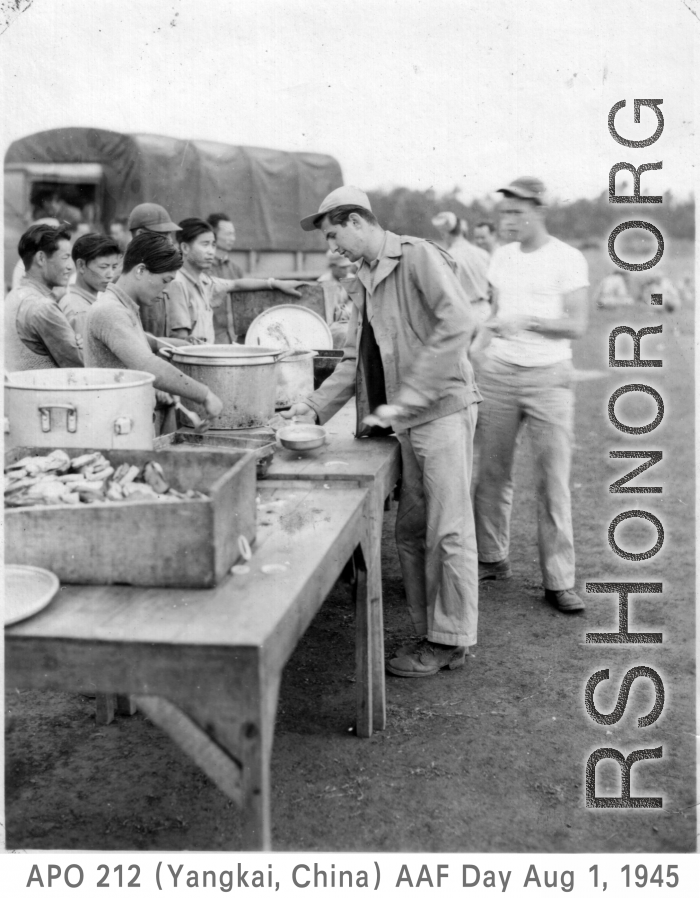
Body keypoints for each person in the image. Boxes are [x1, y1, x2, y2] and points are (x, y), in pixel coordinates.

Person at [283, 186, 480, 678]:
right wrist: (309, 409)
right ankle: (431, 633)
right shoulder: (364, 279)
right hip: (408, 422)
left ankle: (450, 640)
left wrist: (412, 393)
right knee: (411, 532)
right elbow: (353, 361)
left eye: (334, 236)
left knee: (448, 531)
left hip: (441, 411)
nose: (333, 249)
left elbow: (459, 323)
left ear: (355, 220)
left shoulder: (416, 257)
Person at [473, 177, 589, 613]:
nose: (508, 221)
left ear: (538, 210)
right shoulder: (501, 257)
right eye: (504, 213)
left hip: (549, 377)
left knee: (552, 480)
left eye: (516, 212)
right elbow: (494, 311)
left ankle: (559, 581)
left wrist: (527, 321)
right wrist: (478, 349)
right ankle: (491, 558)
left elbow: (577, 324)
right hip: (500, 373)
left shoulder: (568, 258)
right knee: (491, 473)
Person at [85, 232, 223, 424]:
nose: (166, 291)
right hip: (115, 426)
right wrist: (204, 394)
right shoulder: (111, 311)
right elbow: (146, 364)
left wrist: (185, 344)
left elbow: (142, 340)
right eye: (165, 281)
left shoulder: (123, 306)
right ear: (140, 270)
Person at [165, 218, 304, 344]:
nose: (211, 251)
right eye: (205, 244)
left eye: (213, 245)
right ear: (184, 248)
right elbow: (181, 338)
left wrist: (276, 283)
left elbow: (235, 284)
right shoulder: (178, 283)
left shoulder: (204, 281)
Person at [4, 224, 83, 371]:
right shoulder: (43, 307)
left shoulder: (13, 296)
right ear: (41, 258)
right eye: (65, 257)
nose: (71, 267)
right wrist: (84, 344)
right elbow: (82, 365)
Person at [126, 203, 183, 337]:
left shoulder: (160, 268)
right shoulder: (125, 273)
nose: (169, 241)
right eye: (162, 235)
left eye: (169, 235)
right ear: (140, 234)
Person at [58, 233, 122, 342]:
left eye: (114, 267)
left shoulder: (75, 301)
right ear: (81, 266)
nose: (111, 274)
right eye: (104, 267)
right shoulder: (82, 312)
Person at [432, 211, 491, 324]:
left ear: (445, 233)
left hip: (465, 313)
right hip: (485, 311)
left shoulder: (447, 257)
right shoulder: (483, 253)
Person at [207, 213, 244, 343]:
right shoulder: (203, 269)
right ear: (214, 235)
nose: (232, 238)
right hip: (211, 341)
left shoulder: (236, 270)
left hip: (234, 340)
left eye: (233, 234)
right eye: (228, 234)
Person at [318, 249, 356, 348]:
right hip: (333, 321)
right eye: (342, 267)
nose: (346, 270)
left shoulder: (352, 279)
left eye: (348, 267)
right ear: (332, 267)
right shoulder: (324, 282)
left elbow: (355, 301)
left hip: (348, 317)